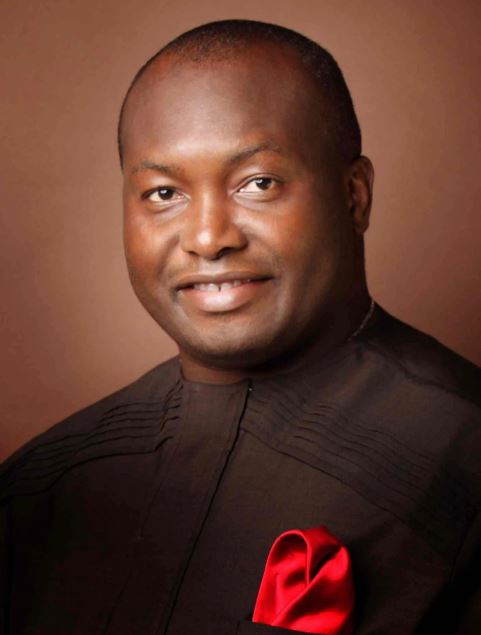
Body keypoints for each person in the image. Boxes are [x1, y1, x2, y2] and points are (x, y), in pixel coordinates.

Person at [1, 19, 480, 635]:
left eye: (258, 183)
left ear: (354, 196)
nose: (208, 238)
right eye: (163, 193)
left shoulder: (463, 460)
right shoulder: (40, 487)